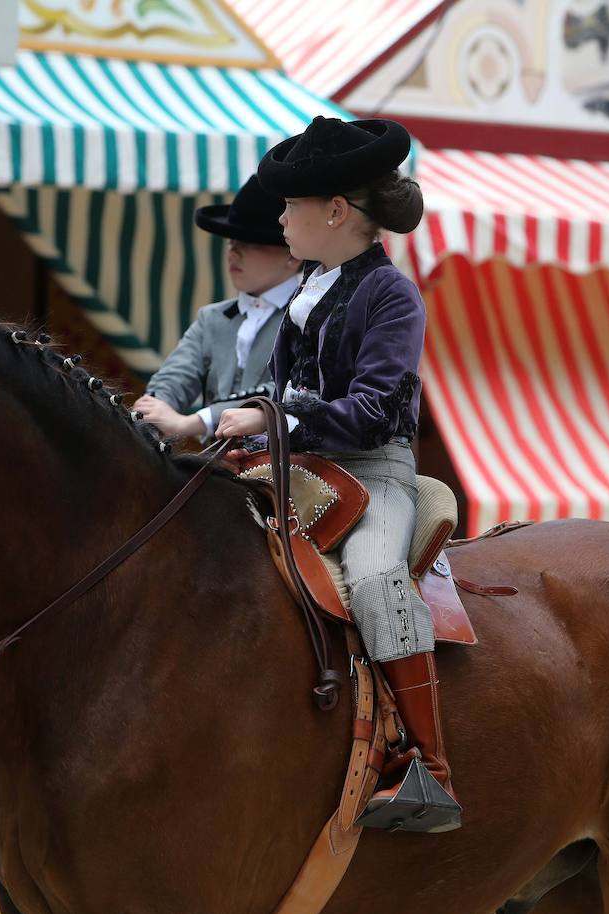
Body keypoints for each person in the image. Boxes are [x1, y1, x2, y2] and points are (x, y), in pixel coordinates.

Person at [214, 117, 460, 833]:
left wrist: (273, 421)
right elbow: (279, 397)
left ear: (335, 212)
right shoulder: (305, 291)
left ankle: (429, 767)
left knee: (379, 576)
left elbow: (375, 408)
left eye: (290, 206)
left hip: (374, 469)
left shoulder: (394, 296)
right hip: (300, 465)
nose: (280, 217)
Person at [135, 176, 300, 440]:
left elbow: (288, 393)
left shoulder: (308, 316)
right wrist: (155, 409)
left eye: (249, 243)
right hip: (219, 466)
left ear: (291, 255)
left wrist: (196, 421)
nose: (234, 253)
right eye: (232, 243)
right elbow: (176, 375)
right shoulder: (212, 317)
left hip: (286, 465)